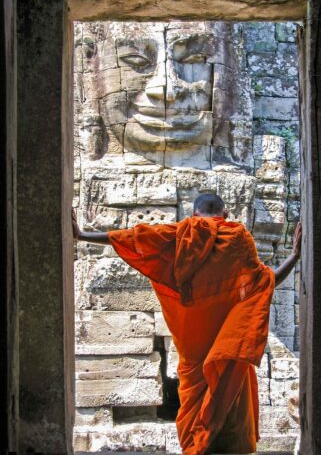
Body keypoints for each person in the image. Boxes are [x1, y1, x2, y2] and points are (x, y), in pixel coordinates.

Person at [72, 194, 302, 455]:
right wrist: (294, 256)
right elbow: (265, 283)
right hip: (225, 350)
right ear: (225, 215)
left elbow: (133, 238)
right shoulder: (238, 238)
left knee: (195, 414)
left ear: (193, 215)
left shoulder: (180, 236)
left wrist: (82, 235)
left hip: (193, 350)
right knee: (229, 402)